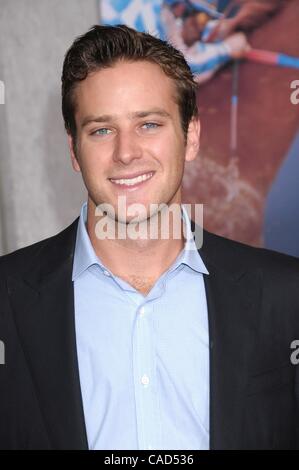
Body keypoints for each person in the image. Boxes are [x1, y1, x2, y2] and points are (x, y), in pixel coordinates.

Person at [0, 24, 299, 450]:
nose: (126, 152)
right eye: (101, 130)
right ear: (73, 150)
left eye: (149, 124)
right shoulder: (6, 301)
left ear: (190, 136)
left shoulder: (285, 295)